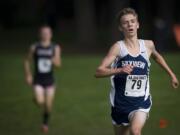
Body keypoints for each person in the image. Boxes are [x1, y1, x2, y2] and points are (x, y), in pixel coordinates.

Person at [95, 8, 179, 135]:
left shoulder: (148, 45)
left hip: (141, 102)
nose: (130, 24)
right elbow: (98, 71)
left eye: (132, 21)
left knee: (135, 131)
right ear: (120, 27)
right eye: (125, 22)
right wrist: (119, 70)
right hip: (120, 104)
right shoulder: (118, 48)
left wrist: (172, 75)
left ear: (137, 24)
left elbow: (157, 56)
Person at [24, 25, 61, 133]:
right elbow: (27, 61)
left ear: (51, 34)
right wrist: (28, 75)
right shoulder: (34, 47)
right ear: (40, 34)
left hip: (50, 80)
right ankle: (37, 99)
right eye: (43, 33)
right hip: (38, 80)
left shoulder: (55, 47)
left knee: (48, 106)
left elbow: (58, 65)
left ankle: (45, 124)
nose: (45, 35)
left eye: (47, 33)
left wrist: (54, 61)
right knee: (40, 102)